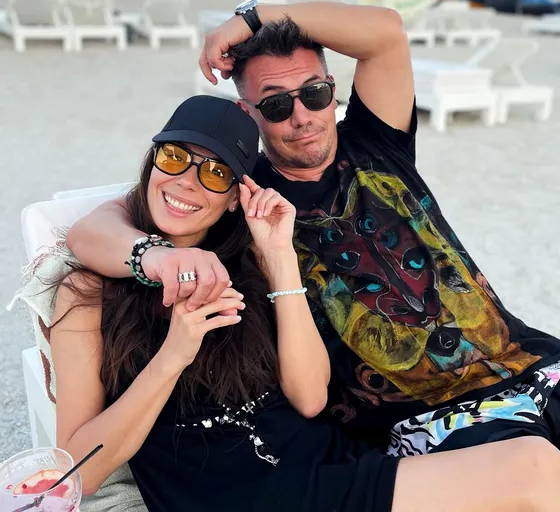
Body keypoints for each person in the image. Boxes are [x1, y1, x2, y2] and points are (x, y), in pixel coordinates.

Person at [67, 1, 560, 458]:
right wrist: (154, 256)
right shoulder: (242, 194)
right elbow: (93, 228)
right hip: (432, 422)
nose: (302, 117)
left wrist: (257, 16)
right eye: (276, 105)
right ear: (248, 113)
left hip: (535, 367)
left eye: (315, 94)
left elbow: (387, 33)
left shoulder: (375, 140)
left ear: (332, 90)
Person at [52, 94, 560, 512]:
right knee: (532, 472)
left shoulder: (248, 267)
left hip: (329, 465)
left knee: (534, 464)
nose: (187, 181)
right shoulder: (89, 292)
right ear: (151, 163)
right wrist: (173, 355)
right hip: (237, 496)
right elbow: (78, 472)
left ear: (233, 198)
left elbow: (310, 398)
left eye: (216, 173)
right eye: (174, 157)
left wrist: (279, 259)